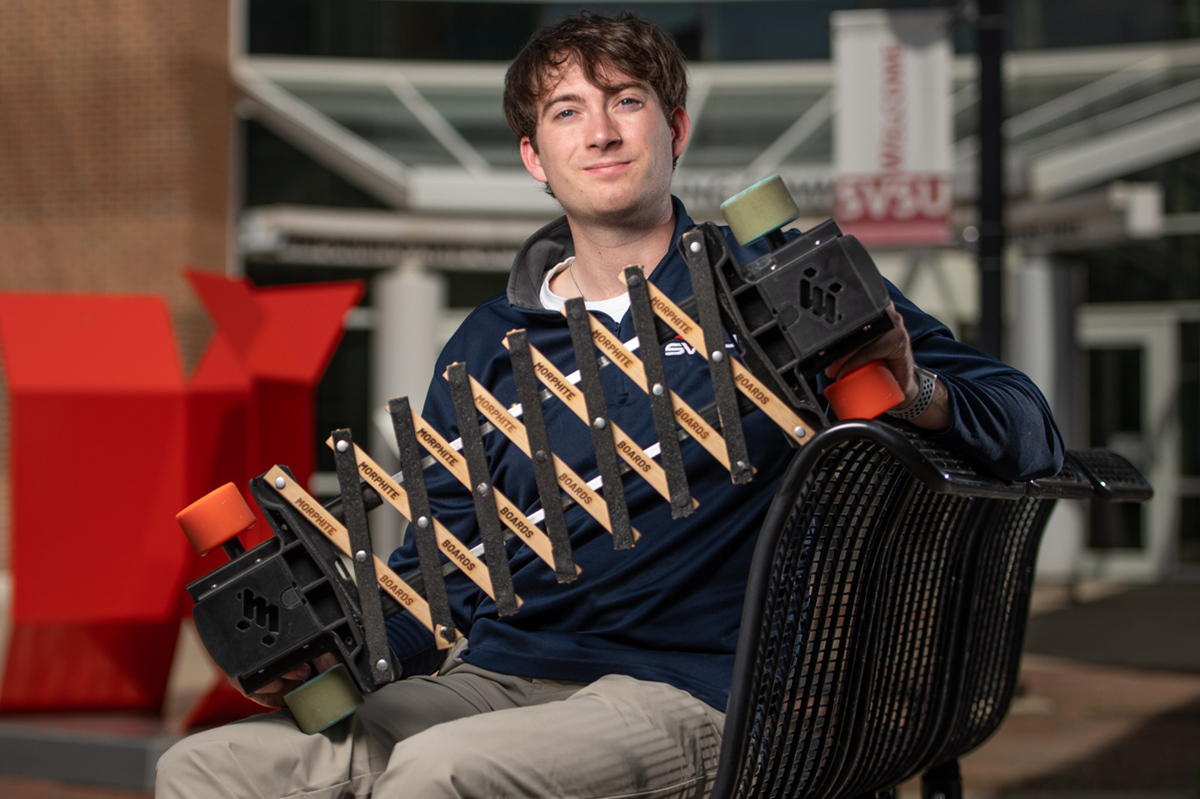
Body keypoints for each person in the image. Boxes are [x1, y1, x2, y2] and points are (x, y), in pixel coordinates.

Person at [157, 11, 1063, 798]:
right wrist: (324, 662)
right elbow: (437, 573)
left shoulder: (771, 282)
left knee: (440, 775)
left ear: (675, 129)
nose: (600, 132)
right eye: (567, 112)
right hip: (499, 677)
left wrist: (918, 393)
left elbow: (1025, 419)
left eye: (626, 101)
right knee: (202, 770)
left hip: (701, 689)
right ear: (534, 157)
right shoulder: (487, 344)